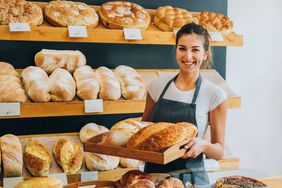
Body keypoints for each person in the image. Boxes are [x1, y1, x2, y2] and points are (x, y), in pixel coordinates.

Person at [142, 23, 227, 185]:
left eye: (195, 50)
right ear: (176, 51)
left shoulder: (214, 95)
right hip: (154, 179)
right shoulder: (156, 86)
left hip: (192, 180)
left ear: (205, 55)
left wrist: (203, 146)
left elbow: (219, 151)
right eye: (182, 48)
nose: (188, 56)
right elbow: (144, 131)